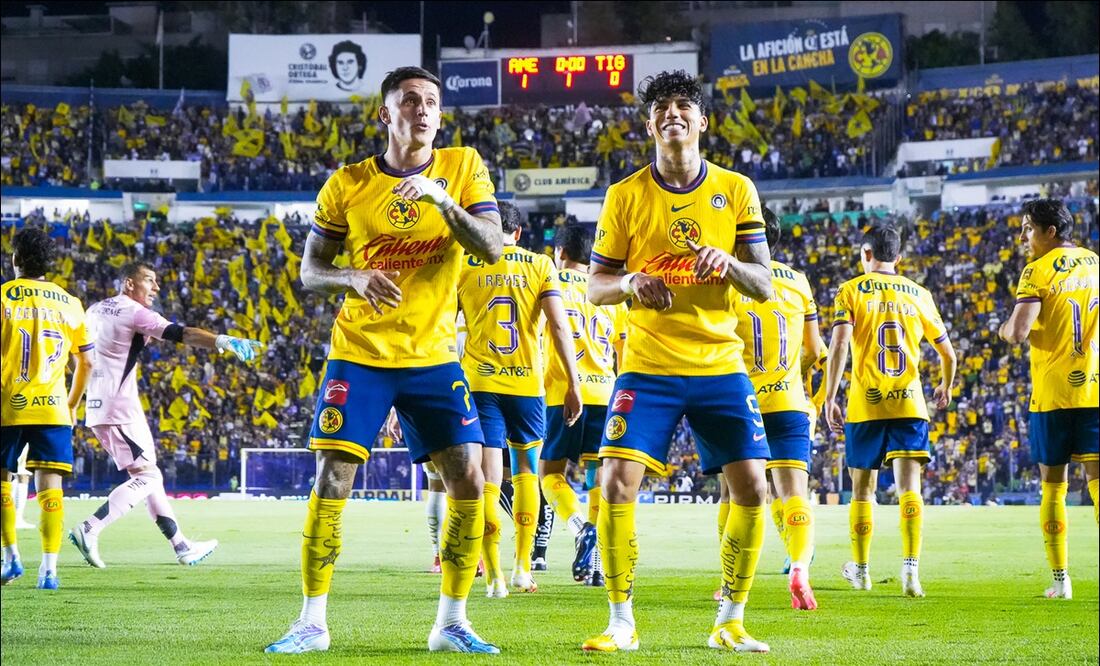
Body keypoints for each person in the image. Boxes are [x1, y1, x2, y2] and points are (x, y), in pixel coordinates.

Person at [265, 66, 504, 655]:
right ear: (385, 114)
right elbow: (310, 272)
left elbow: (492, 246)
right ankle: (311, 623)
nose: (422, 111)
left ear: (441, 116)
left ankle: (451, 622)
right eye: (409, 101)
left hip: (433, 356)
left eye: (431, 102)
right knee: (333, 477)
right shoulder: (347, 183)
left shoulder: (464, 167)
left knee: (469, 479)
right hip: (361, 355)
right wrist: (353, 276)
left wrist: (442, 201)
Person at [584, 70, 775, 654]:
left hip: (720, 361)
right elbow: (595, 286)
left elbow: (764, 284)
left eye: (683, 106)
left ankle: (730, 619)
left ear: (702, 121)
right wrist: (633, 282)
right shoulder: (624, 195)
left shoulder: (736, 190)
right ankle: (621, 621)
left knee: (752, 489)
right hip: (648, 364)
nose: (673, 114)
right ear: (649, 124)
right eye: (662, 108)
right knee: (616, 483)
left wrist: (728, 265)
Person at [68, 263, 261, 568]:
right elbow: (180, 333)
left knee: (146, 475)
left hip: (101, 404)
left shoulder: (93, 311)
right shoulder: (134, 311)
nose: (156, 288)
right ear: (129, 283)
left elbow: (76, 357)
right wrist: (224, 341)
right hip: (119, 408)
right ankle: (90, 527)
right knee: (149, 476)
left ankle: (181, 545)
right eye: (149, 281)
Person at [455, 200, 583, 597]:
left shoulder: (464, 264)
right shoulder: (541, 265)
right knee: (528, 473)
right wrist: (573, 384)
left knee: (488, 481)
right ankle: (522, 568)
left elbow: (443, 326)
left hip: (480, 384)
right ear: (520, 233)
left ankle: (492, 576)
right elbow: (560, 327)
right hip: (527, 386)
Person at [824, 224, 957, 598]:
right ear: (898, 258)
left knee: (862, 492)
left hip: (866, 402)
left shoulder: (849, 291)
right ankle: (911, 572)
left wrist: (829, 396)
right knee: (909, 489)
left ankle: (862, 572)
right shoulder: (919, 293)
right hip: (909, 401)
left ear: (865, 254)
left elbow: (838, 345)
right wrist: (946, 385)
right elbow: (948, 353)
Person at [998, 198, 1098, 600]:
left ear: (1049, 232)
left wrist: (1004, 329)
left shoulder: (1036, 271)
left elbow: (1018, 332)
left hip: (1054, 394)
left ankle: (1061, 582)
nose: (1023, 237)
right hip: (1095, 388)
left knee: (1053, 487)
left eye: (1028, 229)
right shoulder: (1096, 263)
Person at [727, 205, 827, 610]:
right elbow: (815, 350)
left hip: (741, 399)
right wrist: (798, 379)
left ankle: (730, 583)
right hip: (789, 400)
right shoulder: (799, 282)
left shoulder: (729, 280)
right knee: (794, 493)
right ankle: (800, 566)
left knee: (734, 495)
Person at [1, 227, 95, 589]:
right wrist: (72, 404)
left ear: (16, 259)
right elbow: (87, 364)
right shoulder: (70, 303)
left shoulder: (4, 297)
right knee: (50, 486)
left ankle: (10, 560)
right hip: (54, 408)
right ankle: (50, 570)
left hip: (8, 405)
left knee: (3, 482)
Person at [538, 224, 626, 588]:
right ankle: (596, 565)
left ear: (560, 253)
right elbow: (624, 354)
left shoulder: (550, 282)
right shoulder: (609, 294)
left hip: (561, 391)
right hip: (605, 393)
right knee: (597, 477)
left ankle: (579, 527)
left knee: (549, 474)